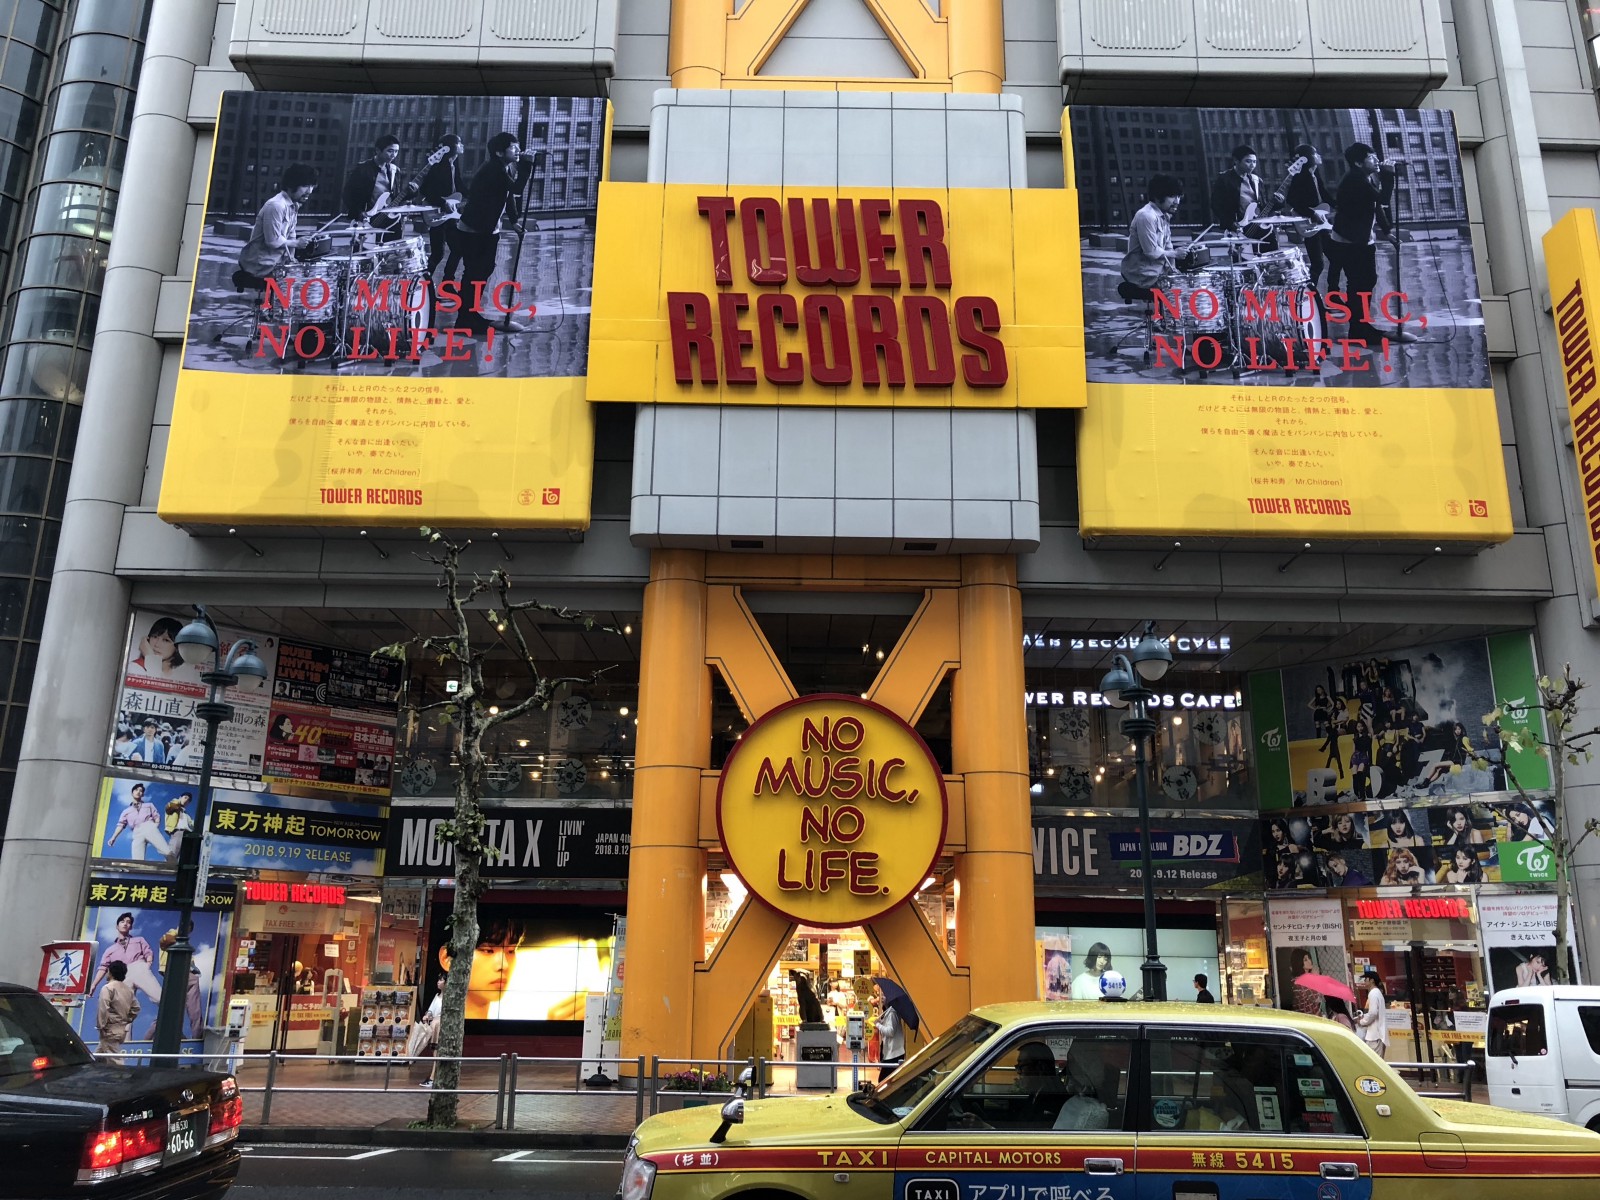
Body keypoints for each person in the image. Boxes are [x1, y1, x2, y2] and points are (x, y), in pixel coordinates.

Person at [447, 131, 538, 336]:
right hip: (475, 229)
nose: (517, 150)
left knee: (482, 271)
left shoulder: (503, 168)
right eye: (513, 147)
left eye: (517, 146)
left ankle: (469, 316)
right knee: (474, 273)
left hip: (487, 228)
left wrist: (513, 221)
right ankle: (465, 319)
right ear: (499, 152)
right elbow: (516, 189)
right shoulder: (493, 170)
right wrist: (527, 165)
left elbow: (508, 196)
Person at [1328, 142, 1414, 348]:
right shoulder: (1355, 180)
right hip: (1350, 242)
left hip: (1360, 239)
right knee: (1359, 285)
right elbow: (1383, 199)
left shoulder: (1365, 178)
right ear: (1358, 162)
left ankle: (1362, 328)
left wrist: (1387, 232)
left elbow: (1376, 207)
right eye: (1371, 157)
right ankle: (1359, 331)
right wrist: (1389, 174)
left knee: (1365, 283)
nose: (1376, 160)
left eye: (1376, 157)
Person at [236, 164, 318, 285]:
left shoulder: (293, 205)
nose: (309, 191)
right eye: (305, 186)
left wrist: (292, 259)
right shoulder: (276, 205)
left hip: (276, 261)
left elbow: (291, 235)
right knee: (306, 282)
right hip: (260, 264)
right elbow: (272, 241)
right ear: (291, 185)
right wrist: (297, 243)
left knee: (313, 271)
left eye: (312, 186)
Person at [1282, 142, 1335, 291]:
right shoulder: (1301, 177)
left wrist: (1338, 205)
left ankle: (1332, 292)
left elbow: (1323, 193)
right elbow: (1292, 200)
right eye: (1315, 154)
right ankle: (1308, 293)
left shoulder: (1315, 174)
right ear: (1308, 158)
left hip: (1320, 224)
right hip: (1309, 223)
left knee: (1335, 258)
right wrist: (1312, 214)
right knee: (1318, 263)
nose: (1319, 156)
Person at [1119, 174, 1183, 291]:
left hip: (1157, 272)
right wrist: (1175, 254)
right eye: (1173, 196)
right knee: (1184, 289)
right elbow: (1151, 252)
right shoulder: (1146, 216)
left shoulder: (1164, 216)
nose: (1177, 201)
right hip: (1142, 274)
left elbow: (1168, 247)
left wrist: (1173, 270)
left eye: (1179, 196)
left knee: (1190, 280)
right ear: (1158, 197)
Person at [341, 133, 405, 243]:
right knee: (364, 251)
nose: (393, 155)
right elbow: (347, 194)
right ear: (378, 150)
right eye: (390, 151)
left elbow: (397, 196)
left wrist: (411, 192)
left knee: (391, 251)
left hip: (389, 219)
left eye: (396, 151)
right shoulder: (362, 169)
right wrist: (358, 212)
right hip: (368, 219)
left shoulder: (395, 170)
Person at [419, 134, 466, 279]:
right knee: (438, 253)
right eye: (459, 143)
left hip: (449, 215)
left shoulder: (453, 165)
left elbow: (460, 187)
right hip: (437, 213)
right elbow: (425, 190)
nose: (462, 145)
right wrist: (443, 203)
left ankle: (447, 282)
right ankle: (422, 282)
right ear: (451, 148)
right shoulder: (438, 165)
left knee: (458, 249)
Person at [89, 912, 162, 1004]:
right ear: (117, 926)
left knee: (159, 997)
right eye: (122, 921)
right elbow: (103, 968)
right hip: (122, 975)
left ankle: (165, 1017)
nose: (125, 924)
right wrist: (94, 984)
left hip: (139, 967)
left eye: (128, 922)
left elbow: (148, 951)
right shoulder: (110, 950)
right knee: (121, 1007)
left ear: (130, 927)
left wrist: (148, 964)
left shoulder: (139, 940)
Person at [1209, 144, 1267, 234]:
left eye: (1254, 162)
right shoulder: (1224, 179)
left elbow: (1263, 205)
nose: (1252, 165)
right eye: (1248, 161)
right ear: (1236, 160)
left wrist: (1278, 203)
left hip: (1257, 225)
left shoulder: (1257, 180)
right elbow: (1216, 205)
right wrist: (1230, 223)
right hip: (1237, 228)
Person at [106, 783, 173, 859]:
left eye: (141, 791)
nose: (138, 792)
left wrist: (155, 826)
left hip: (149, 826)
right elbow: (121, 825)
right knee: (137, 860)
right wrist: (113, 837)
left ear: (143, 795)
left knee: (166, 851)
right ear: (132, 793)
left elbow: (156, 816)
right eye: (136, 790)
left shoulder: (149, 805)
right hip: (136, 832)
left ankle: (173, 866)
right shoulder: (126, 811)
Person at [96, 960, 140, 1053]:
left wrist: (101, 1026)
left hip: (109, 1030)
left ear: (110, 972)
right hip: (121, 1029)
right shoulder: (128, 990)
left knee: (116, 1061)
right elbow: (136, 1008)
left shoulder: (108, 988)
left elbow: (103, 1008)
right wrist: (126, 1019)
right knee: (99, 1057)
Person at [872, 980, 905, 1080]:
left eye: (884, 996)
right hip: (891, 1052)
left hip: (894, 1053)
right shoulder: (888, 1012)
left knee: (883, 1080)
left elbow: (890, 1032)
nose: (881, 998)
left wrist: (877, 1025)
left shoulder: (892, 1013)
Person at [414, 979, 444, 1086]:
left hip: (439, 1025)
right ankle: (433, 1077)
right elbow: (431, 1010)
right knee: (435, 1053)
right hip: (434, 1025)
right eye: (438, 979)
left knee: (437, 1053)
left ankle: (433, 1078)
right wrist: (427, 1016)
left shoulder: (448, 998)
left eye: (441, 980)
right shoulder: (437, 996)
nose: (438, 981)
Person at [1356, 969, 1389, 1057]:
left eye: (1366, 979)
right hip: (1377, 1034)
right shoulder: (1376, 993)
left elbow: (1373, 1013)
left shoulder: (1373, 993)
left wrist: (1362, 1022)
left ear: (1372, 980)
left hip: (1375, 1036)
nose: (1364, 981)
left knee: (1373, 1062)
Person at [1289, 949, 1323, 1017]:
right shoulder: (1300, 982)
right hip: (1308, 1018)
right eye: (1305, 960)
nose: (1309, 961)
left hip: (1312, 1015)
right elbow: (1317, 998)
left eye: (1309, 958)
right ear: (1299, 962)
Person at [164, 793, 194, 862]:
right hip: (178, 832)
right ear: (180, 797)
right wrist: (178, 801)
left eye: (188, 800)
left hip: (188, 835)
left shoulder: (186, 814)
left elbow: (192, 825)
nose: (186, 800)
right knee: (172, 856)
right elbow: (168, 808)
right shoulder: (172, 805)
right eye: (185, 797)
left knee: (185, 859)